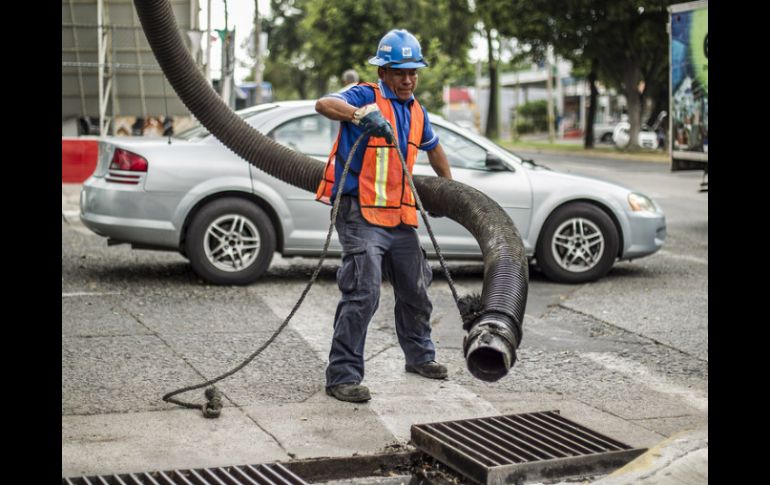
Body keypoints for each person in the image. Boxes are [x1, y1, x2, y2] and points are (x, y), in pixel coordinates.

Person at [315, 29, 453, 403]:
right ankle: (342, 376)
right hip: (359, 214)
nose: (407, 79)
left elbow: (435, 150)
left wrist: (450, 192)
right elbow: (324, 104)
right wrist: (360, 116)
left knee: (416, 287)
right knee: (363, 292)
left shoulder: (417, 111)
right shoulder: (366, 96)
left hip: (398, 217)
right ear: (384, 72)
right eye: (399, 72)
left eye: (413, 72)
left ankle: (420, 356)